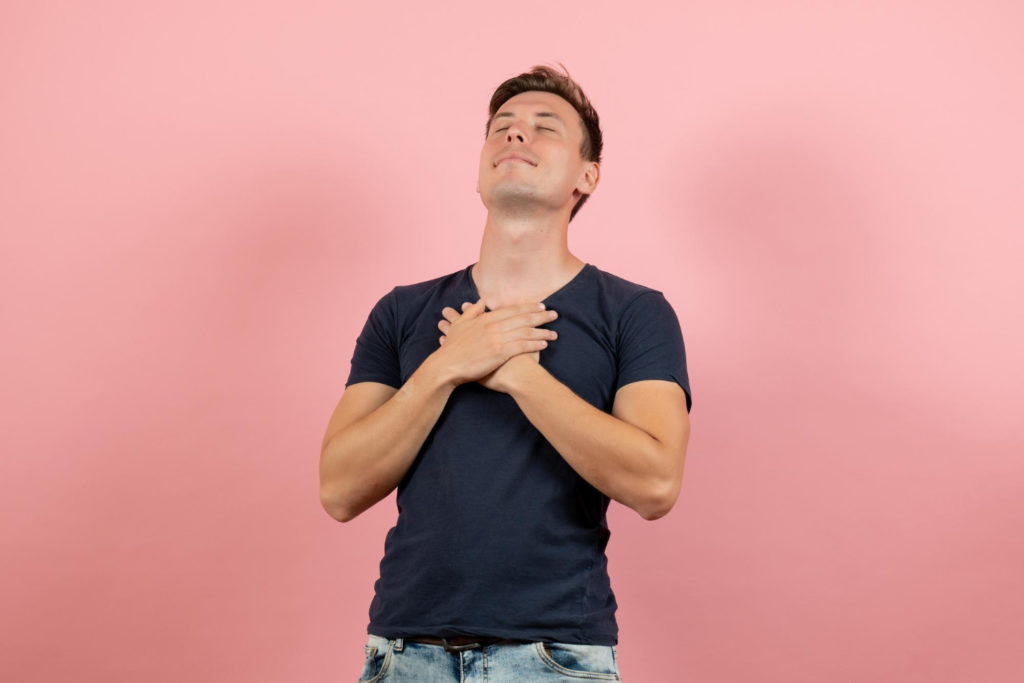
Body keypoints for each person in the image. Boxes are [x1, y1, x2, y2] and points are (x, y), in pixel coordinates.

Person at [320, 64, 692, 682]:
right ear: (480, 170)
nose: (516, 137)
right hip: (403, 653)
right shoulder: (403, 311)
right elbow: (338, 489)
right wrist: (445, 368)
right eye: (502, 127)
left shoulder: (635, 312)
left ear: (587, 175)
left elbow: (655, 485)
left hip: (554, 657)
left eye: (545, 127)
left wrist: (519, 372)